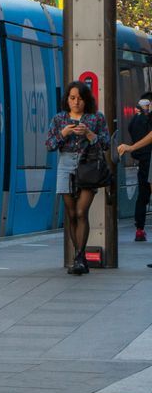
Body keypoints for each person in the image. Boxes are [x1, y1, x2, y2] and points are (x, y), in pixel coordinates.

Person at [49, 80, 111, 275]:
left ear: (86, 100)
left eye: (80, 99)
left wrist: (90, 135)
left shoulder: (96, 118)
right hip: (65, 165)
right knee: (71, 214)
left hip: (88, 166)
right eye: (72, 98)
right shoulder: (59, 119)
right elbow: (49, 144)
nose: (76, 102)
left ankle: (79, 257)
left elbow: (106, 144)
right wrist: (64, 133)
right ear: (67, 100)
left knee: (81, 211)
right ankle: (80, 257)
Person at [120, 88, 152, 242]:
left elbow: (132, 133)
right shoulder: (148, 118)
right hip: (149, 159)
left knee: (142, 195)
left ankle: (139, 229)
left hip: (143, 160)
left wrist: (133, 148)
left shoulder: (134, 120)